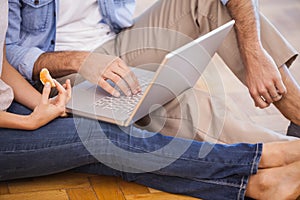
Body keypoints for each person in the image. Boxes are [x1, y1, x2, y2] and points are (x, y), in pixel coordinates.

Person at [2, 2, 300, 199]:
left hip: (118, 43)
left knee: (205, 2)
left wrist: (254, 49)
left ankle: (296, 125)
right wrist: (80, 61)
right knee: (180, 104)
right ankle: (278, 152)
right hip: (57, 72)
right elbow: (10, 53)